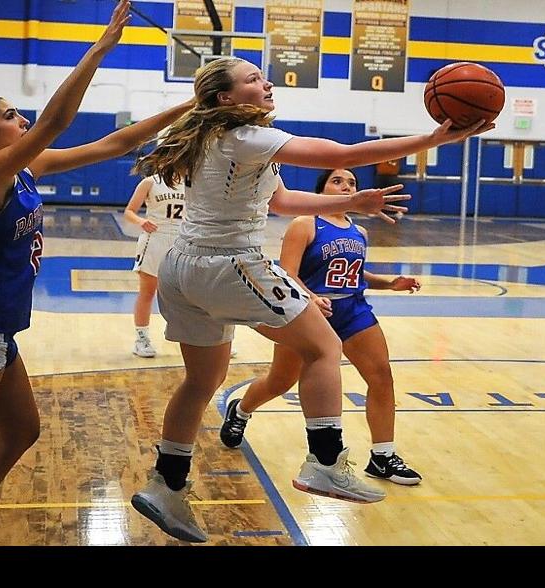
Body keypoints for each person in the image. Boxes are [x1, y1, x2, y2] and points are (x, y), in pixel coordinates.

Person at [129, 56, 493, 543]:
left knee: (202, 380)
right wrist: (431, 140)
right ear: (226, 99)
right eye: (253, 79)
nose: (267, 82)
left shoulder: (211, 138)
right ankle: (325, 461)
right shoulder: (247, 136)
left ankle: (166, 484)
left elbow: (279, 202)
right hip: (230, 262)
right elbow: (341, 153)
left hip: (181, 268)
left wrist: (348, 203)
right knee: (323, 348)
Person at [0, 0, 194, 546]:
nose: (23, 120)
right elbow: (57, 120)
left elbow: (116, 143)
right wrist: (100, 49)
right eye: (10, 115)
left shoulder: (25, 166)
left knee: (21, 431)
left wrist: (190, 104)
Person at [220, 168, 424, 486]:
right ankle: (241, 409)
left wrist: (389, 283)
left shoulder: (360, 232)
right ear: (322, 189)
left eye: (352, 183)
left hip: (353, 311)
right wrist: (311, 297)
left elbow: (355, 274)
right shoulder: (305, 224)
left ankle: (382, 456)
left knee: (381, 376)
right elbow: (286, 273)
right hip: (307, 314)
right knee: (280, 381)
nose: (346, 187)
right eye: (337, 181)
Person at [124, 175, 185, 358]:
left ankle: (205, 341)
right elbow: (129, 211)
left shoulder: (193, 181)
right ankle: (141, 339)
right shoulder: (151, 182)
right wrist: (141, 222)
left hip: (183, 239)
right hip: (155, 239)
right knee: (148, 292)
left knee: (190, 293)